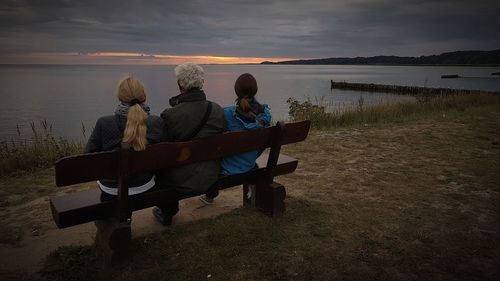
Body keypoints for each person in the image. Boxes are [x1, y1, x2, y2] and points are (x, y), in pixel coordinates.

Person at [153, 62, 225, 225]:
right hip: (211, 174)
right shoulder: (217, 110)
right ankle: (211, 194)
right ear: (201, 83)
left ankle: (168, 211)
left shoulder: (170, 116)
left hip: (179, 181)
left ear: (179, 84)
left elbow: (163, 155)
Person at [85, 77, 163, 199]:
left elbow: (88, 158)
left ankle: (107, 217)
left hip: (110, 188)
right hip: (144, 183)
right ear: (143, 96)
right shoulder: (156, 122)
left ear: (120, 97)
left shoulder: (104, 123)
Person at [199, 73, 272, 204]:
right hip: (249, 163)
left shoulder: (227, 114)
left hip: (228, 168)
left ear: (236, 91)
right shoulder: (265, 114)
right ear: (255, 90)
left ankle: (210, 196)